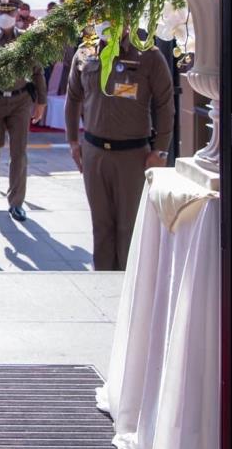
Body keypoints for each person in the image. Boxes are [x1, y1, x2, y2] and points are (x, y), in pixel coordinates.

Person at [66, 21, 174, 270]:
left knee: (129, 227)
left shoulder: (148, 55)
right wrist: (73, 141)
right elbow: (73, 98)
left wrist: (161, 149)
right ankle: (103, 283)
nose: (105, 21)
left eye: (113, 13)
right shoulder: (85, 52)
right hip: (94, 152)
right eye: (101, 13)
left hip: (133, 156)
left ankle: (128, 288)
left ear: (128, 19)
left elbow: (165, 105)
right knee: (100, 225)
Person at [0, 0, 47, 222]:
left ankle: (16, 202)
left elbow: (38, 73)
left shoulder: (27, 40)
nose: (5, 16)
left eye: (10, 12)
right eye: (1, 12)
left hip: (20, 100)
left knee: (19, 153)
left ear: (17, 14)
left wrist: (41, 102)